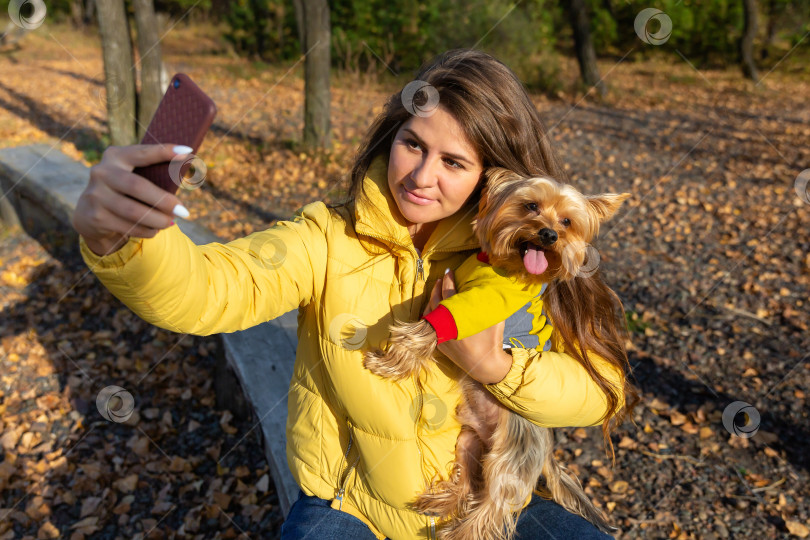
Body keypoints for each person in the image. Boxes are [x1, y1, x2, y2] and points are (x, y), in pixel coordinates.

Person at [72, 49, 637, 539]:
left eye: (454, 162)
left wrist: (497, 367)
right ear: (391, 136)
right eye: (412, 144)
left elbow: (601, 391)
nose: (421, 176)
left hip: (492, 495)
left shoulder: (530, 265)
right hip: (350, 506)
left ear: (492, 180)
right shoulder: (325, 238)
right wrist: (124, 241)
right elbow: (209, 292)